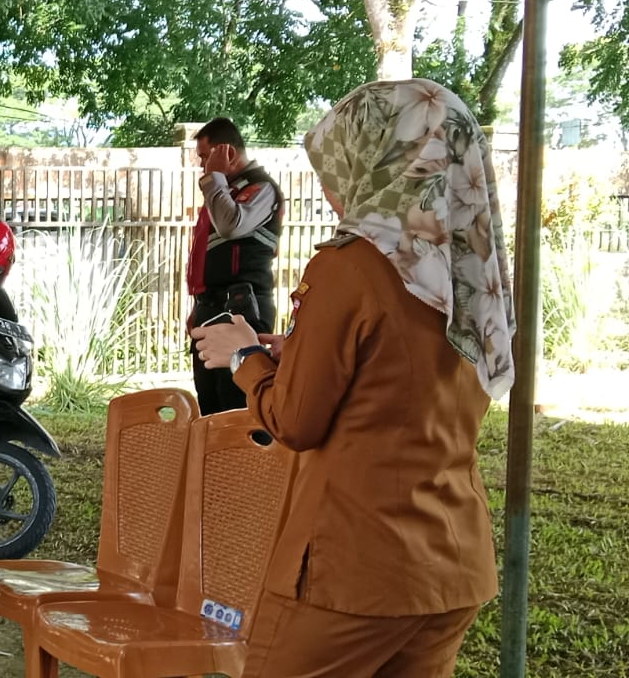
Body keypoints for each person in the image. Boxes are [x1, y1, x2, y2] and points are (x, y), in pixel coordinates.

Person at [192, 79, 511, 677]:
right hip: (452, 565)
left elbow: (295, 420)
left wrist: (244, 357)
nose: (335, 188)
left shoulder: (351, 266)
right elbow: (408, 379)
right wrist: (303, 349)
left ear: (384, 159)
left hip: (356, 569)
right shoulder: (468, 272)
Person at [186, 117, 284, 415]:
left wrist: (214, 178)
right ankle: (215, 463)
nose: (203, 167)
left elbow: (232, 226)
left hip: (242, 308)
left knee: (237, 405)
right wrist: (199, 305)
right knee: (210, 404)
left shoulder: (261, 187)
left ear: (226, 151)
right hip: (211, 306)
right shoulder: (222, 193)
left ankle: (246, 464)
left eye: (205, 157)